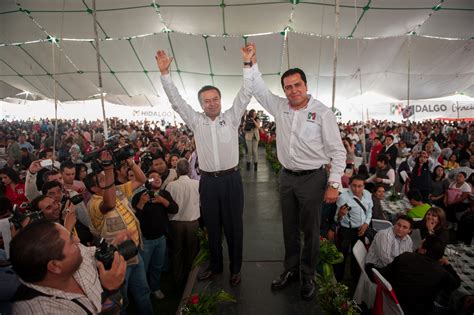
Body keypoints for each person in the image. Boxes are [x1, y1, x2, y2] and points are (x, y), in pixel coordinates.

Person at [247, 43, 346, 300]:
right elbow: (258, 89)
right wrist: (251, 63)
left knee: (311, 231)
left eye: (297, 85)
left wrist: (333, 183)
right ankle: (290, 270)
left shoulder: (323, 113)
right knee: (288, 229)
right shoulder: (279, 106)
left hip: (313, 179)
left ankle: (308, 275)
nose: (293, 90)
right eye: (288, 87)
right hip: (287, 177)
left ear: (306, 86)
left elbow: (338, 151)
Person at [156, 45, 253, 287]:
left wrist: (247, 64)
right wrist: (165, 75)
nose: (211, 104)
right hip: (207, 182)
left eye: (215, 99)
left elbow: (247, 92)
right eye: (207, 101)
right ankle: (216, 265)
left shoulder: (232, 117)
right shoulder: (196, 121)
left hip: (231, 181)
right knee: (211, 226)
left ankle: (236, 268)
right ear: (201, 104)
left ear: (221, 100)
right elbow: (177, 102)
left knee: (234, 228)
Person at [84, 152, 152, 315]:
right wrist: (108, 171)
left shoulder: (117, 190)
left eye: (107, 178)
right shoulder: (94, 204)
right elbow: (110, 203)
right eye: (103, 180)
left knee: (143, 292)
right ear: (93, 188)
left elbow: (141, 180)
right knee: (120, 302)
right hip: (117, 260)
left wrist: (131, 163)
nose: (108, 181)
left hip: (134, 252)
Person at [10, 220, 126, 315]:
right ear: (55, 266)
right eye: (71, 240)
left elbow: (91, 252)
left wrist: (114, 245)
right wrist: (111, 290)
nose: (78, 240)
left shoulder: (71, 255)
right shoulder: (42, 310)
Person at [379, 237, 461, 315]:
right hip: (420, 311)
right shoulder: (441, 271)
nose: (418, 247)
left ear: (424, 251)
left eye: (420, 245)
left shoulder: (405, 256)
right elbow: (456, 284)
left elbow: (384, 273)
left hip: (393, 304)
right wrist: (447, 265)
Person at [131, 171, 178, 299]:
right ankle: (142, 293)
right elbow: (135, 219)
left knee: (157, 266)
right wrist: (141, 203)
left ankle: (155, 288)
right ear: (147, 181)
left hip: (161, 238)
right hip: (145, 241)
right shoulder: (139, 196)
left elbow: (174, 209)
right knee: (143, 269)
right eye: (152, 177)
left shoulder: (164, 194)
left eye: (158, 177)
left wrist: (163, 201)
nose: (157, 179)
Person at [165, 159, 200, 286]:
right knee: (192, 251)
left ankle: (177, 279)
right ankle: (192, 281)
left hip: (175, 223)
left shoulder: (170, 186)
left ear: (177, 171)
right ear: (189, 170)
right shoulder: (196, 184)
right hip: (192, 222)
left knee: (177, 252)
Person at [333, 175, 373, 282]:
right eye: (354, 186)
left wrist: (366, 224)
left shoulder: (368, 195)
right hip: (346, 230)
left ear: (364, 186)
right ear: (350, 185)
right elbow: (336, 219)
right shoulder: (343, 198)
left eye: (360, 186)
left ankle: (355, 278)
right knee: (342, 255)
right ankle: (338, 280)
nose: (357, 189)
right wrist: (341, 214)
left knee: (357, 255)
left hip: (361, 229)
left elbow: (369, 212)